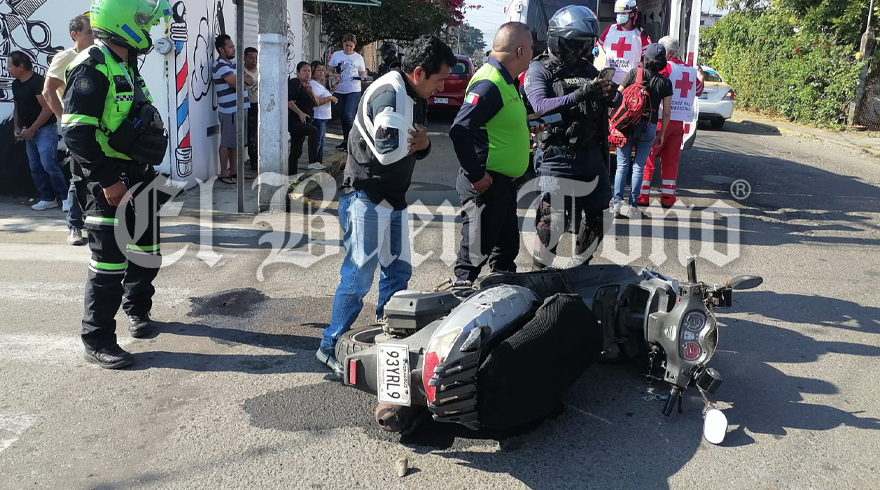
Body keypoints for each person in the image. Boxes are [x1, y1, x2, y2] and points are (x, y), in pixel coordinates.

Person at [318, 35, 456, 373]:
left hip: (393, 197)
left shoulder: (412, 93)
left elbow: (416, 141)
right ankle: (329, 345)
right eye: (438, 80)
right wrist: (420, 143)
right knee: (358, 276)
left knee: (398, 272)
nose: (440, 87)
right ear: (419, 72)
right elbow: (387, 151)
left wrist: (423, 144)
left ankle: (389, 335)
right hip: (366, 196)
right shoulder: (390, 92)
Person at [62, 0, 172, 369]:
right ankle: (97, 339)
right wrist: (107, 180)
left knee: (146, 252)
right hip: (110, 180)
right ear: (123, 22)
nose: (148, 28)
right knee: (108, 265)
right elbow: (75, 133)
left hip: (140, 176)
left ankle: (137, 311)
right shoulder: (91, 65)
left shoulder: (125, 63)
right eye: (143, 21)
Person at [524, 5, 617, 270]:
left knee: (599, 214)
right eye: (575, 44)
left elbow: (616, 99)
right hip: (557, 152)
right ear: (559, 40)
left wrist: (611, 94)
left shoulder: (588, 69)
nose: (580, 50)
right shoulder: (539, 69)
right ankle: (540, 272)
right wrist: (580, 94)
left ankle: (580, 268)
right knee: (553, 219)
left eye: (586, 44)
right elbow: (540, 106)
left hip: (591, 152)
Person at [449, 22, 534, 286]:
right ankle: (459, 295)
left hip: (503, 185)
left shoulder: (507, 80)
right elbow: (460, 130)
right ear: (520, 51)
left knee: (505, 250)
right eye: (531, 48)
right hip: (486, 185)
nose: (533, 53)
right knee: (474, 255)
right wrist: (476, 175)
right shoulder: (489, 83)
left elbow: (498, 122)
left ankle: (504, 294)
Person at [43, 13, 95, 246]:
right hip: (78, 129)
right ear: (75, 35)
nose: (93, 36)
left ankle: (98, 222)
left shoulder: (99, 56)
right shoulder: (65, 58)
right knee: (78, 176)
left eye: (94, 32)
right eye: (88, 32)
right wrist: (66, 120)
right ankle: (75, 225)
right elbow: (48, 92)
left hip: (100, 127)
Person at [637, 36, 704, 208]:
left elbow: (652, 83)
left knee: (648, 158)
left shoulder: (666, 67)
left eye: (662, 51)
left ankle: (642, 196)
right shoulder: (690, 70)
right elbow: (698, 90)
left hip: (661, 120)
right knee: (671, 161)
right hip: (679, 123)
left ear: (669, 53)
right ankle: (668, 198)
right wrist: (701, 77)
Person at [612, 43, 672, 219]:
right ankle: (633, 207)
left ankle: (616, 205)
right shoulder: (665, 83)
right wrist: (662, 133)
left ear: (645, 58)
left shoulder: (634, 73)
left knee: (622, 166)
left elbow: (617, 97)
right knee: (638, 167)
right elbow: (666, 112)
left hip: (627, 125)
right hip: (649, 126)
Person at [9, 51, 67, 211]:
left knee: (49, 164)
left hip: (45, 130)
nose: (7, 68)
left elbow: (47, 108)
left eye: (10, 65)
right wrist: (17, 127)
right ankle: (48, 198)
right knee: (35, 167)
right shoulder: (16, 84)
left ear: (21, 66)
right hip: (29, 131)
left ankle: (66, 197)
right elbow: (17, 107)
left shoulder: (38, 82)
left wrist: (33, 129)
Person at [213, 34, 253, 184]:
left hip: (241, 107)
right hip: (229, 110)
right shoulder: (220, 65)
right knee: (227, 142)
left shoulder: (235, 64)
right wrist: (240, 80)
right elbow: (237, 83)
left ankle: (234, 170)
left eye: (233, 47)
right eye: (230, 47)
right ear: (221, 49)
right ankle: (224, 172)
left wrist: (240, 80)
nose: (233, 49)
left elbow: (250, 79)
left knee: (237, 141)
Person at [328, 33, 367, 151]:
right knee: (343, 116)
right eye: (346, 45)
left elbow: (363, 73)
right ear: (343, 44)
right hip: (339, 90)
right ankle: (346, 140)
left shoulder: (358, 58)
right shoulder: (336, 55)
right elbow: (329, 70)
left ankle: (353, 140)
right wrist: (333, 76)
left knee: (348, 114)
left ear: (354, 46)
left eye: (351, 46)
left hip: (353, 90)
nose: (348, 48)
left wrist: (363, 77)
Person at [598, 0, 652, 85]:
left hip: (630, 82)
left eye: (623, 13)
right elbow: (599, 46)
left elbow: (648, 57)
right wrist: (597, 50)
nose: (619, 16)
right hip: (609, 81)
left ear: (632, 14)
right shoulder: (610, 30)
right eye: (618, 13)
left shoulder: (640, 34)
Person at [288, 61, 322, 171]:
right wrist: (300, 113)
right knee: (313, 131)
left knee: (296, 151)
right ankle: (313, 161)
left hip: (304, 121)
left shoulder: (307, 86)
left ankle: (292, 175)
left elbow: (316, 103)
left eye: (309, 71)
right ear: (298, 72)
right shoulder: (295, 83)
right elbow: (289, 101)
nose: (307, 73)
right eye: (304, 71)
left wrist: (311, 92)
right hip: (295, 120)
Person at [310, 60, 337, 165]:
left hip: (324, 118)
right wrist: (330, 98)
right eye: (318, 70)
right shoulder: (313, 85)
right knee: (317, 142)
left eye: (323, 70)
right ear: (313, 72)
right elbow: (316, 101)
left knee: (321, 143)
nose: (321, 72)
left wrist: (332, 92)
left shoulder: (320, 85)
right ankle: (315, 162)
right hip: (318, 117)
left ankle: (319, 162)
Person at [243, 46, 258, 171]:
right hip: (248, 106)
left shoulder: (261, 70)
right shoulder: (241, 71)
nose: (254, 60)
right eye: (251, 57)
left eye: (256, 57)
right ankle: (253, 161)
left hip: (260, 104)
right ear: (245, 58)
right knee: (251, 134)